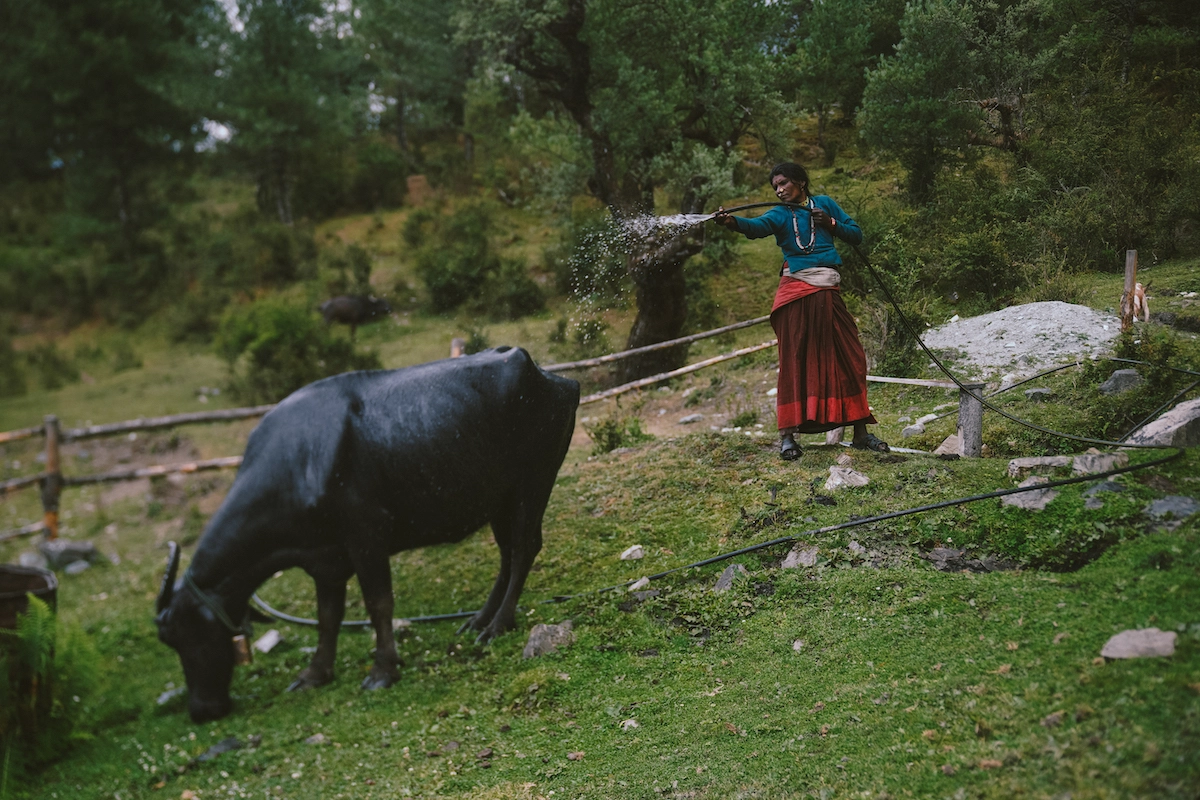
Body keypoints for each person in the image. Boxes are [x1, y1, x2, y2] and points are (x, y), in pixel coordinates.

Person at [713, 162, 889, 461]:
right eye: (775, 187)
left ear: (801, 182)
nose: (779, 190)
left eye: (783, 183)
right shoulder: (780, 213)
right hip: (795, 294)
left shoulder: (826, 205)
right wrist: (732, 223)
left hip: (828, 291)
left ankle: (860, 434)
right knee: (795, 361)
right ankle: (787, 437)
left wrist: (830, 224)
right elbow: (756, 228)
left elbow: (856, 234)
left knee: (850, 358)